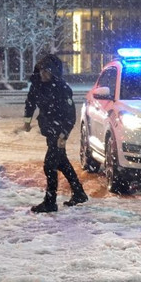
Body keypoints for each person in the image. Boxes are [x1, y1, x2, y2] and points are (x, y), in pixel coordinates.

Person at [23, 54, 88, 213]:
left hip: (58, 132)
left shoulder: (62, 89)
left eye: (47, 71)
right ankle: (79, 193)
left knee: (49, 165)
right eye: (41, 71)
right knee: (61, 162)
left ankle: (50, 202)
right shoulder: (37, 85)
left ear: (54, 72)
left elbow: (70, 115)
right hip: (49, 129)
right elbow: (30, 103)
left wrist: (63, 135)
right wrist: (27, 121)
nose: (43, 74)